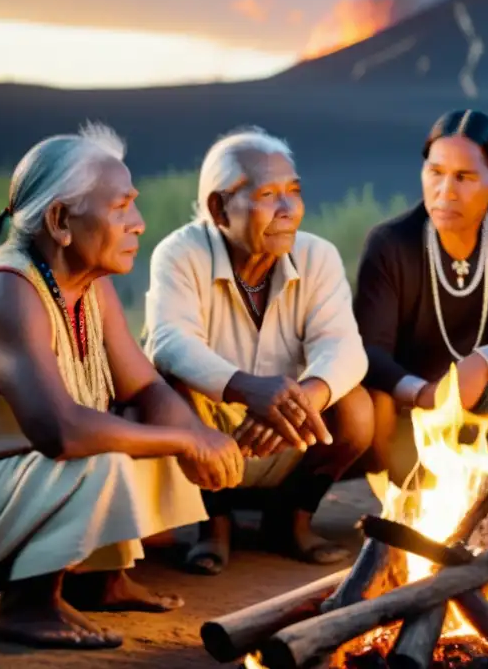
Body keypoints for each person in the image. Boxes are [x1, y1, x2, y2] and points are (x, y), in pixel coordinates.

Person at [0, 125, 242, 650]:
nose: (138, 224)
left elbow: (144, 386)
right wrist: (187, 441)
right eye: (121, 208)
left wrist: (197, 439)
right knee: (102, 453)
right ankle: (26, 604)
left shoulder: (89, 287)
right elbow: (60, 432)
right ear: (60, 220)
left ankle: (102, 578)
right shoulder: (5, 289)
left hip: (20, 472)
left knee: (163, 419)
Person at [143, 127, 373, 575]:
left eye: (294, 192)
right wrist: (247, 390)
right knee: (171, 387)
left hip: (290, 429)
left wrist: (308, 396)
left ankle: (292, 519)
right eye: (269, 194)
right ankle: (215, 526)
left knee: (358, 409)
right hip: (213, 427)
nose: (288, 210)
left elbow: (345, 346)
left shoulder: (317, 256)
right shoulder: (180, 253)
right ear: (218, 207)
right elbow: (168, 341)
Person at [354, 109, 488, 540]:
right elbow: (369, 351)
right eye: (435, 172)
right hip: (412, 399)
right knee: (371, 397)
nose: (445, 191)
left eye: (464, 177)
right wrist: (422, 391)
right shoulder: (391, 242)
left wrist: (484, 364)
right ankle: (402, 504)